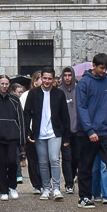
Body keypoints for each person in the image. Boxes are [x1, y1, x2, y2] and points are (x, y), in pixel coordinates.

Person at [74, 53, 107, 208]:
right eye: (101, 68)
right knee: (86, 166)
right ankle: (84, 197)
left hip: (106, 130)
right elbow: (81, 107)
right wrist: (89, 130)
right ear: (94, 66)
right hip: (87, 132)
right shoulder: (84, 83)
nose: (104, 71)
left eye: (105, 68)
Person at [22, 68, 70, 200]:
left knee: (54, 159)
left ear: (54, 79)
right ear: (40, 78)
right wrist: (27, 131)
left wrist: (66, 136)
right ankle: (46, 188)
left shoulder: (59, 94)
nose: (47, 81)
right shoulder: (33, 94)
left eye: (50, 78)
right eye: (45, 78)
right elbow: (27, 114)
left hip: (55, 132)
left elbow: (65, 116)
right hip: (39, 133)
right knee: (42, 162)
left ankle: (56, 188)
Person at [0, 75, 24, 199]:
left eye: (6, 84)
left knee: (12, 162)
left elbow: (21, 120)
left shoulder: (15, 100)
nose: (4, 86)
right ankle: (3, 190)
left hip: (13, 136)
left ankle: (12, 186)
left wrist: (21, 139)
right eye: (2, 83)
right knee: (1, 164)